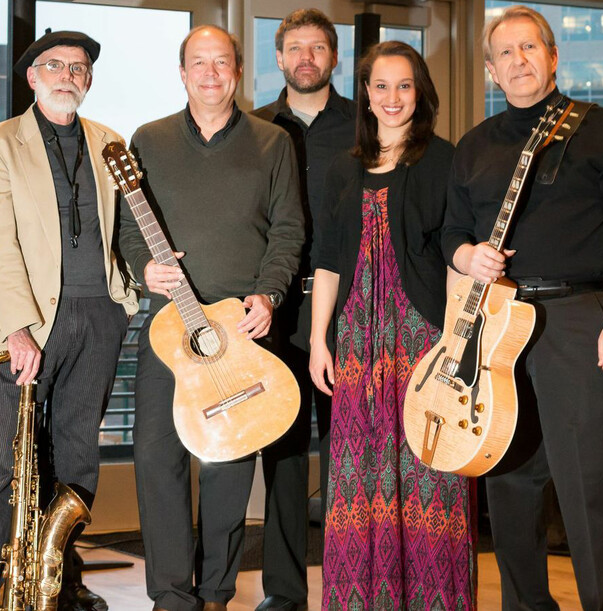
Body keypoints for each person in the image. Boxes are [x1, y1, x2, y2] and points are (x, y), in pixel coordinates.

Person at [442, 6, 603, 610]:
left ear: (553, 56)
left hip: (578, 317)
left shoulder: (602, 128)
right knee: (509, 483)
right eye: (505, 53)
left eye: (529, 48)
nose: (519, 61)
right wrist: (468, 257)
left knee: (589, 483)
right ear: (490, 70)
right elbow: (449, 234)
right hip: (498, 324)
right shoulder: (475, 146)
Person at [120, 25, 304, 611]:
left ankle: (217, 592)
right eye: (197, 63)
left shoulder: (273, 143)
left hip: (240, 329)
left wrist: (270, 294)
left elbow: (288, 231)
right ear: (181, 73)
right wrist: (142, 266)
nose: (209, 73)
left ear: (237, 71)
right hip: (167, 328)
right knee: (157, 457)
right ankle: (172, 596)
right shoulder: (146, 140)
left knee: (228, 461)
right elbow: (128, 226)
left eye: (220, 62)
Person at [0, 30, 139, 611]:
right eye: (54, 66)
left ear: (88, 79)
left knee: (78, 457)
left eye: (78, 68)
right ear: (31, 78)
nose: (67, 75)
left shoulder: (111, 142)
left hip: (99, 315)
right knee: (5, 462)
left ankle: (59, 582)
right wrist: (16, 329)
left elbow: (129, 227)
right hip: (30, 322)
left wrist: (133, 288)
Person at [309, 41, 475, 610]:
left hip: (422, 336)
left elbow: (457, 255)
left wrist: (459, 343)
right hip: (356, 340)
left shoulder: (445, 159)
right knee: (360, 470)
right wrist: (317, 340)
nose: (392, 97)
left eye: (404, 85)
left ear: (420, 91)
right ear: (366, 95)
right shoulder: (342, 167)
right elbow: (328, 259)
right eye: (381, 86)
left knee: (430, 467)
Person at [251, 9, 355, 611]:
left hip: (352, 308)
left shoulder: (367, 126)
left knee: (350, 451)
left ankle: (347, 582)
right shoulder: (258, 129)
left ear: (334, 58)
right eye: (296, 48)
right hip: (282, 309)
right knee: (283, 451)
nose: (307, 58)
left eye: (318, 47)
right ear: (281, 57)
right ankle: (285, 592)